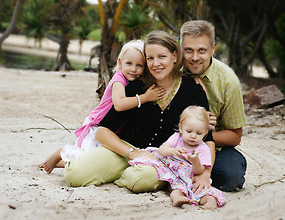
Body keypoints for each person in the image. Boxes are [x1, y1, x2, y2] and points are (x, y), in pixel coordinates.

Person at [63, 31, 215, 194]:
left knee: (141, 180)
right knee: (74, 175)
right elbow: (102, 131)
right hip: (125, 150)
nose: (156, 63)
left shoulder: (194, 90)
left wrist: (206, 174)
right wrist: (133, 154)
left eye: (162, 56)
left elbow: (208, 140)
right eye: (150, 58)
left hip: (162, 159)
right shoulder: (137, 87)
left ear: (175, 56)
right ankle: (118, 173)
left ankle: (118, 176)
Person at [38, 40, 165, 174]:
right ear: (120, 62)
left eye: (139, 65)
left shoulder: (131, 80)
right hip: (97, 125)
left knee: (90, 160)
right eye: (129, 63)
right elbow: (119, 104)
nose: (133, 69)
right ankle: (60, 153)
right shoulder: (119, 79)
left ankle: (58, 163)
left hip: (109, 128)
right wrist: (145, 98)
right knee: (86, 155)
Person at [180, 20, 247, 192]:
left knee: (230, 177)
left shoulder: (228, 81)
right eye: (189, 50)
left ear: (213, 49)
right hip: (175, 144)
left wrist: (202, 134)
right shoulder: (171, 70)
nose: (195, 57)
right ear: (181, 49)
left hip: (214, 147)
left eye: (201, 50)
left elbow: (235, 135)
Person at [128, 106, 226, 210]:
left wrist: (195, 161)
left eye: (199, 133)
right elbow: (162, 150)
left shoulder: (203, 149)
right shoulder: (177, 137)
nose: (193, 136)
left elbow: (199, 171)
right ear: (181, 128)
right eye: (189, 131)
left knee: (204, 191)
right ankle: (178, 198)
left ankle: (210, 201)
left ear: (205, 132)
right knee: (176, 188)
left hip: (191, 178)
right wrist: (173, 151)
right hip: (176, 175)